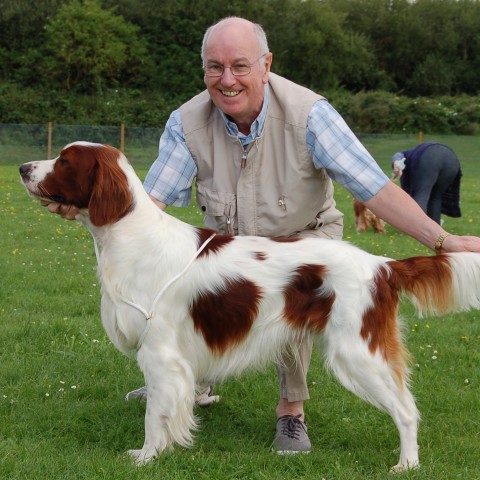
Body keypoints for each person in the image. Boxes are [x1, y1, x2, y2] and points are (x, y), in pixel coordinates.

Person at [46, 17, 480, 455]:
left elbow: (374, 188)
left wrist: (442, 242)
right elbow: (149, 203)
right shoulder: (187, 121)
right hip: (234, 247)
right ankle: (183, 380)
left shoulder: (310, 113)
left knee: (335, 346)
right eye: (214, 67)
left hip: (308, 242)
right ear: (203, 69)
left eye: (239, 66)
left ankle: (291, 413)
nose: (227, 79)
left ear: (266, 64)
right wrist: (89, 206)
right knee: (193, 294)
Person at [392, 142, 462, 224]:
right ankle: (434, 226)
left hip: (430, 156)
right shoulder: (413, 153)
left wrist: (395, 163)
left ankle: (415, 226)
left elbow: (398, 155)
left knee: (421, 194)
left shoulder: (405, 154)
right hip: (452, 160)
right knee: (436, 197)